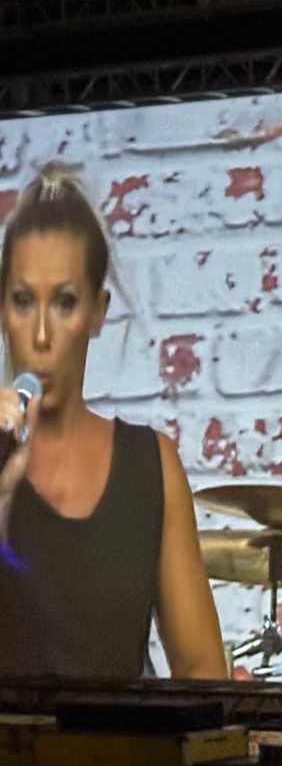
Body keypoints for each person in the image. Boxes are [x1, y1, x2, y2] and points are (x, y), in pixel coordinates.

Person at [0, 167, 225, 681]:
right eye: (21, 300)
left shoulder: (149, 466)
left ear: (97, 312)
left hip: (119, 757)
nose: (40, 334)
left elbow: (202, 670)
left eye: (63, 303)